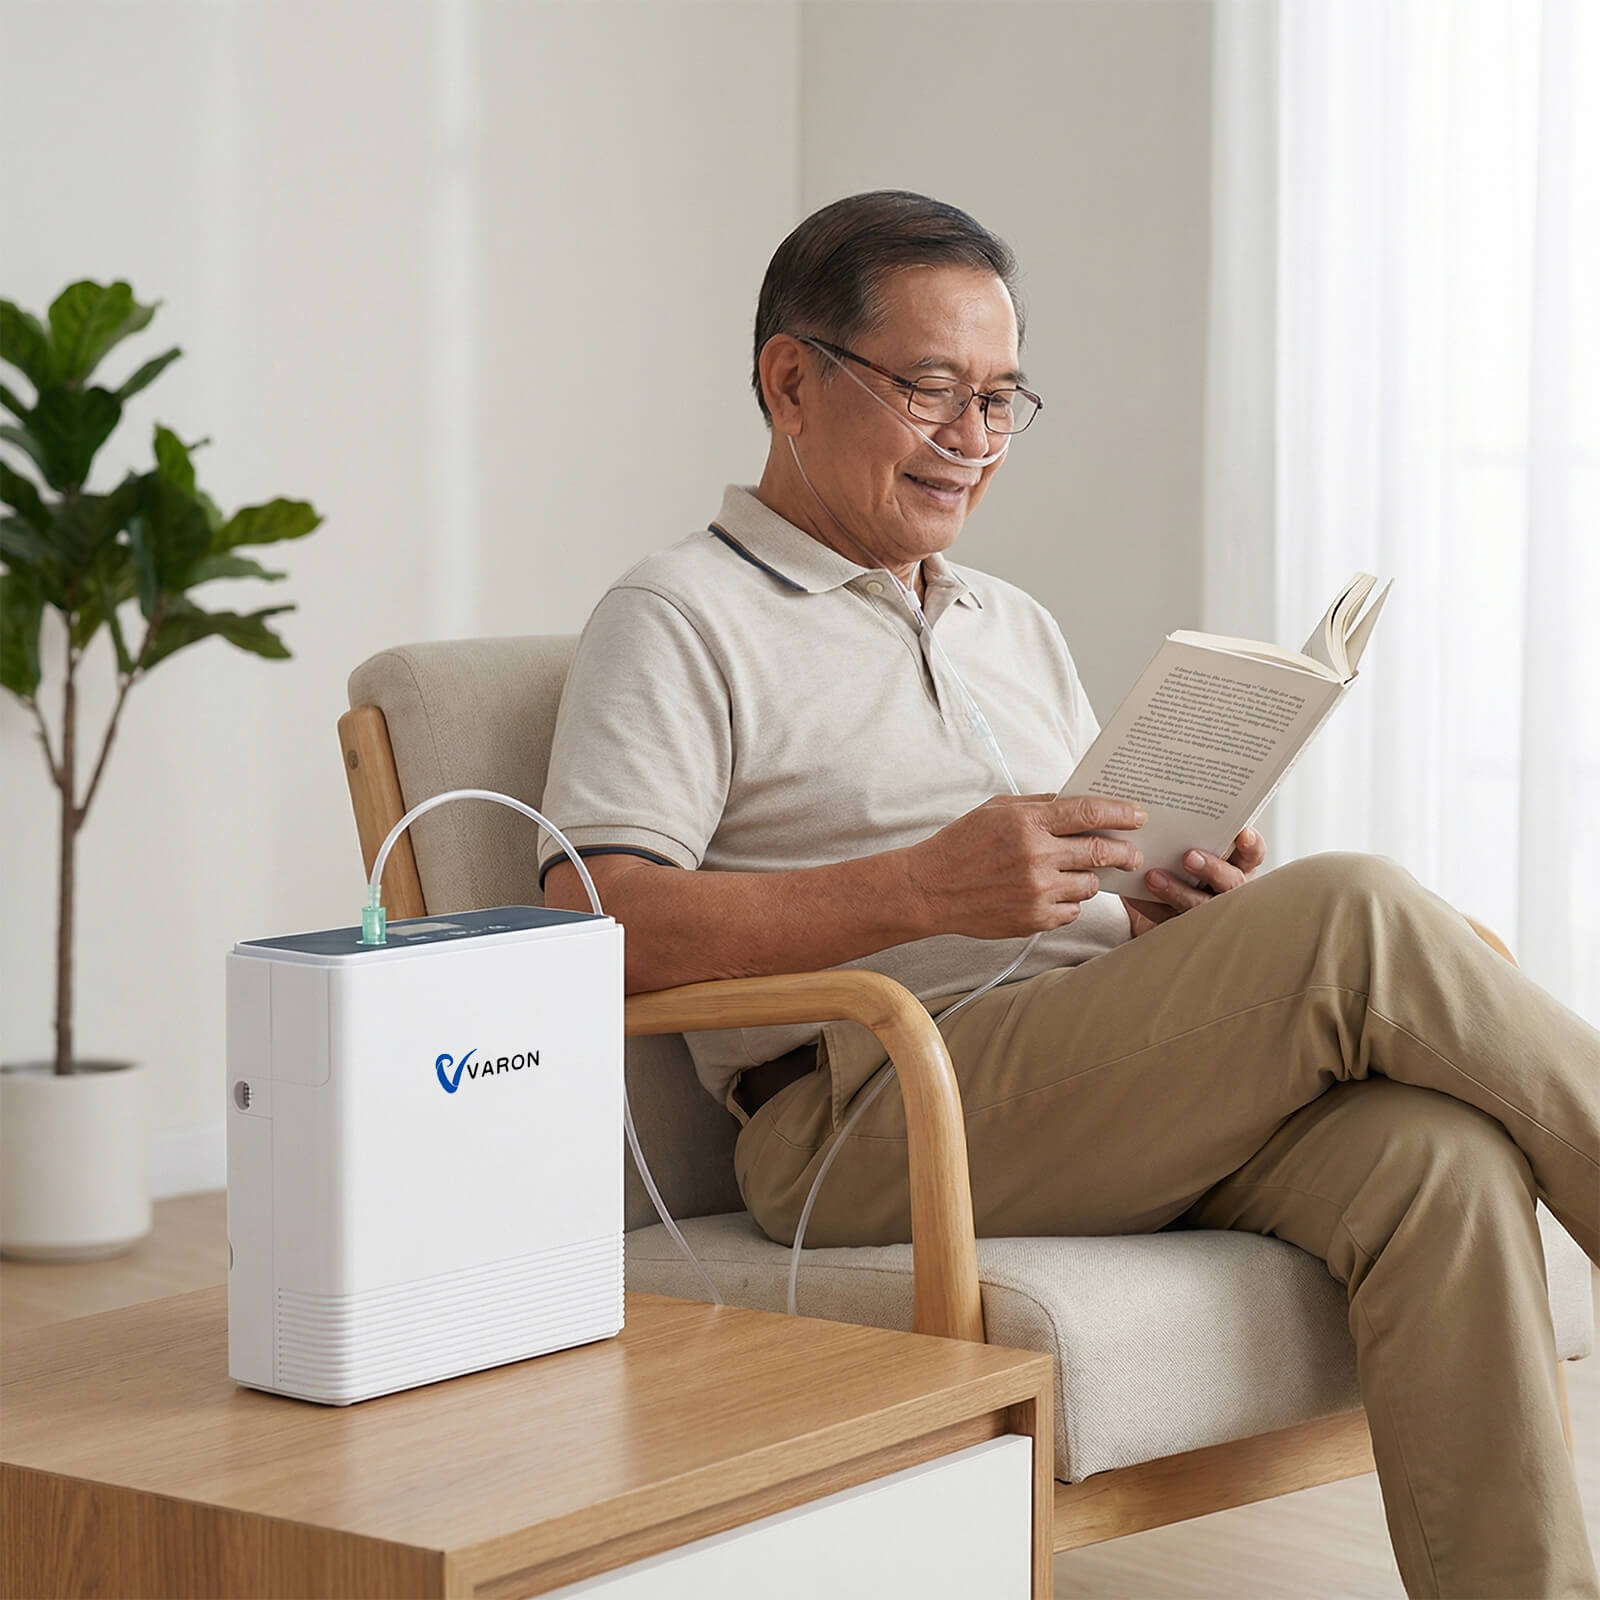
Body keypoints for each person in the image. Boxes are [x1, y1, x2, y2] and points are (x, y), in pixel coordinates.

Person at [540, 190, 1599, 1598]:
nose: (969, 440)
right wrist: (923, 886)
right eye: (928, 389)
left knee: (1434, 1160)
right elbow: (578, 933)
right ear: (790, 381)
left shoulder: (1010, 623)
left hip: (1079, 1072)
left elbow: (1062, 893)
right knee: (1354, 917)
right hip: (869, 1114)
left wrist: (1172, 914)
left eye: (998, 398)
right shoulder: (680, 615)